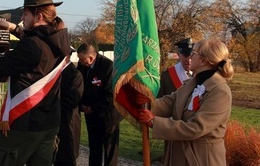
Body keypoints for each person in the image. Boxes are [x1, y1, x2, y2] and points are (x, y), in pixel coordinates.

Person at [0, 0, 70, 166]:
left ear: (38, 17)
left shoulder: (32, 46)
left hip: (25, 122)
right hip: (50, 122)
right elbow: (38, 39)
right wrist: (11, 27)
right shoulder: (60, 38)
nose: (22, 18)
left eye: (25, 14)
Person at [138, 38, 234, 166]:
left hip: (201, 159)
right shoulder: (192, 82)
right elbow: (170, 102)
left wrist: (155, 122)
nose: (190, 57)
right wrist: (147, 104)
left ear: (204, 60)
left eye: (193, 54)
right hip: (178, 156)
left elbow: (196, 127)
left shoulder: (220, 91)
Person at [77, 43, 121, 166]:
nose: (80, 62)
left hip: (108, 115)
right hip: (90, 115)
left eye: (82, 59)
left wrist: (94, 108)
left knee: (109, 149)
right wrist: (82, 105)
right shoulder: (82, 67)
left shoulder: (108, 67)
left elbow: (111, 95)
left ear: (91, 58)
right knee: (94, 147)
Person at [54, 46, 84, 166]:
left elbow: (73, 99)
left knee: (67, 156)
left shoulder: (75, 75)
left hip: (68, 120)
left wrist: (52, 105)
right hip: (56, 119)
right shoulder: (55, 72)